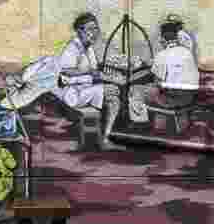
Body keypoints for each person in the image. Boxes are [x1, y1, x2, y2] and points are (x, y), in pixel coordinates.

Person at [55, 12, 123, 150]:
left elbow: (94, 71)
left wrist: (105, 76)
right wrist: (90, 74)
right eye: (90, 29)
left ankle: (105, 136)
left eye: (96, 28)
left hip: (84, 89)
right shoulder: (73, 47)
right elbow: (65, 71)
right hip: (73, 93)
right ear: (80, 31)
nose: (94, 33)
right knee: (113, 94)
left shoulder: (89, 48)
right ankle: (105, 138)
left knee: (113, 96)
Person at [128, 17, 200, 124]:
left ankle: (140, 123)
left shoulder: (162, 55)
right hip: (190, 97)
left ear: (162, 39)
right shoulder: (187, 52)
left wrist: (150, 74)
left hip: (172, 99)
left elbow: (158, 82)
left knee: (135, 90)